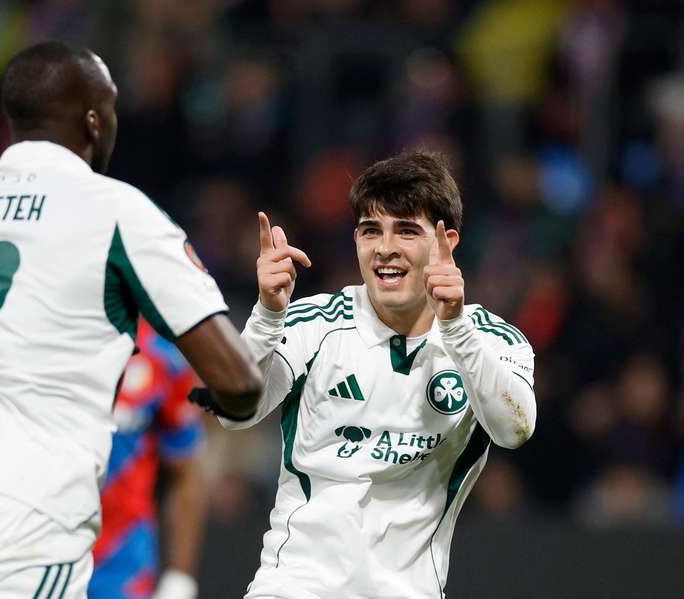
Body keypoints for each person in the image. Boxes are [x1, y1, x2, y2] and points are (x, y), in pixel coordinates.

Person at [0, 41, 261, 599]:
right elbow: (239, 382)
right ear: (93, 120)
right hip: (27, 514)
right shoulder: (115, 210)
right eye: (111, 110)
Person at [222, 151, 536, 598]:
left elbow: (515, 429)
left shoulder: (489, 339)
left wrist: (456, 330)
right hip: (297, 585)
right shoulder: (315, 323)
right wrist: (268, 317)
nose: (385, 247)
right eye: (371, 230)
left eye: (406, 230)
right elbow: (234, 413)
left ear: (445, 242)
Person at [89, 320, 206, 599]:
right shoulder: (41, 335)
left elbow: (185, 471)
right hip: (35, 548)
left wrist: (179, 580)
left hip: (121, 566)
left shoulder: (162, 355)